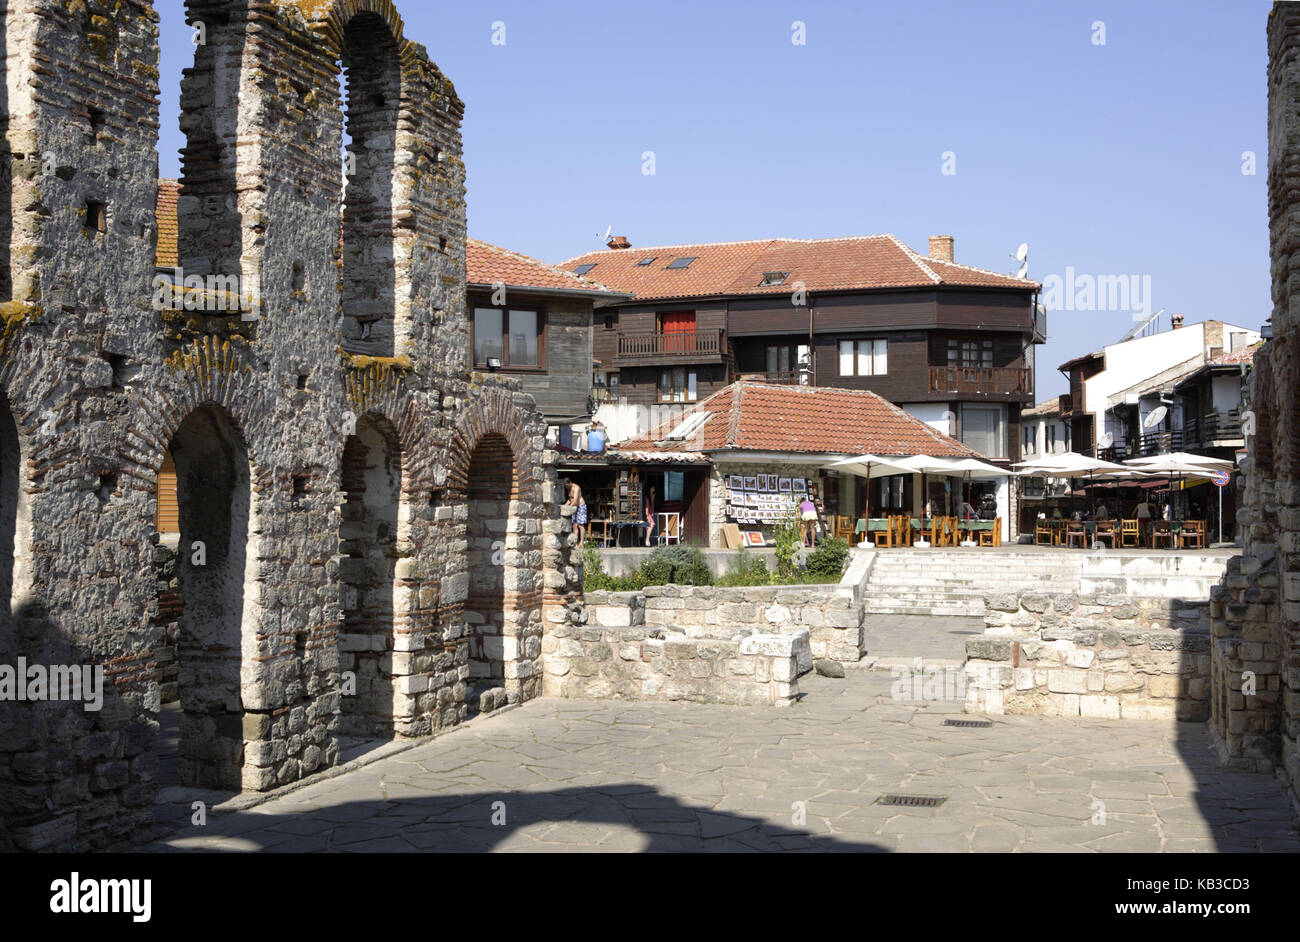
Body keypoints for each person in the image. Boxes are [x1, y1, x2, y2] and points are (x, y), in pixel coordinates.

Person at [562, 476, 586, 545]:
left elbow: (575, 501)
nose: (566, 487)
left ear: (570, 483)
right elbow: (570, 499)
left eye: (566, 485)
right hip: (574, 508)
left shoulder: (576, 488)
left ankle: (581, 543)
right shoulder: (569, 489)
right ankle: (575, 543)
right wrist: (564, 506)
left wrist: (568, 508)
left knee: (580, 525)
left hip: (580, 506)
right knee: (574, 526)